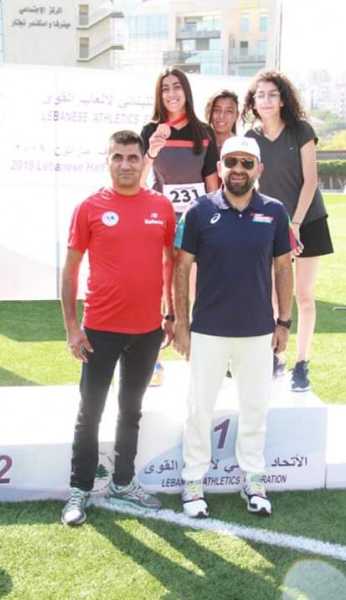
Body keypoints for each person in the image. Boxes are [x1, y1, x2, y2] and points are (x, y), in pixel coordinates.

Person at [174, 136, 294, 519]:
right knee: (199, 410)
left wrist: (284, 322)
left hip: (258, 331)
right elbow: (181, 268)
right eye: (231, 162)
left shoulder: (275, 211)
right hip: (208, 330)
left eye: (246, 162)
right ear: (220, 167)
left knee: (255, 409)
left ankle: (253, 480)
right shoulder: (198, 211)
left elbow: (283, 268)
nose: (238, 169)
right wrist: (180, 323)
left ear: (259, 168)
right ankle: (193, 481)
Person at [60, 130, 175, 526]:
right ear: (107, 161)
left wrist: (170, 315)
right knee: (90, 411)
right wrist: (72, 326)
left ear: (144, 161)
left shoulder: (161, 206)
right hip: (100, 330)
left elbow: (170, 263)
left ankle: (123, 482)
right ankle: (80, 488)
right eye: (118, 157)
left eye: (132, 157)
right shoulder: (89, 207)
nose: (126, 165)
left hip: (147, 330)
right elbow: (70, 270)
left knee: (131, 410)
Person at [242, 68, 333, 391]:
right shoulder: (250, 138)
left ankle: (301, 364)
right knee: (272, 298)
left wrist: (295, 225)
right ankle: (275, 358)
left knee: (304, 296)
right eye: (260, 95)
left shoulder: (301, 130)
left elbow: (311, 181)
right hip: (271, 225)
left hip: (308, 222)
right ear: (253, 102)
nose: (266, 100)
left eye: (272, 94)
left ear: (282, 100)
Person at [141, 66, 219, 386]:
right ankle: (154, 361)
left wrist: (214, 223)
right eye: (165, 88)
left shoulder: (203, 132)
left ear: (186, 91)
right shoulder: (150, 130)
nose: (171, 94)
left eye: (177, 87)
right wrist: (151, 150)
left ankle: (199, 360)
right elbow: (140, 178)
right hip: (161, 220)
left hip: (197, 222)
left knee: (197, 289)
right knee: (160, 288)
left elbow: (212, 185)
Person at [205, 89, 239, 153]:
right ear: (209, 113)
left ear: (236, 116)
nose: (221, 116)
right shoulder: (201, 144)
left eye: (228, 111)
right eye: (216, 110)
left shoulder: (242, 147)